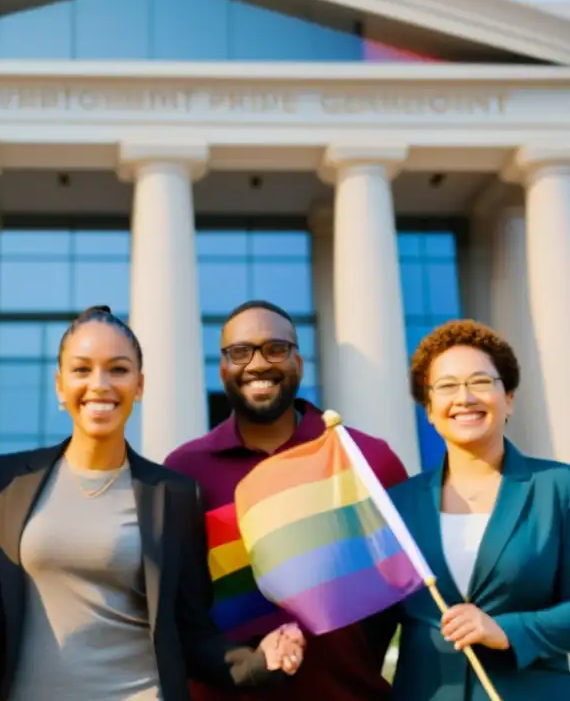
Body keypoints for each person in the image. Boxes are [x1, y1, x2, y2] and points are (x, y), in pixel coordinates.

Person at [0, 305, 306, 701]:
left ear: (139, 385)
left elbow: (190, 631)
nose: (99, 384)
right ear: (59, 385)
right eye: (82, 369)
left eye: (118, 369)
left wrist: (259, 662)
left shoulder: (174, 494)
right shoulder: (8, 481)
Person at [164, 300, 408, 701]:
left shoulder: (365, 458)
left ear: (299, 360)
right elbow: (177, 614)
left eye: (275, 348)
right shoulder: (184, 471)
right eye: (240, 352)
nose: (258, 364)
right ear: (222, 368)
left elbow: (406, 596)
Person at [385, 319, 570, 700]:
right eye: (446, 387)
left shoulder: (561, 486)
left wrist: (508, 629)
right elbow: (370, 620)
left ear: (508, 397)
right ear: (429, 409)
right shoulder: (399, 504)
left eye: (480, 382)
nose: (465, 398)